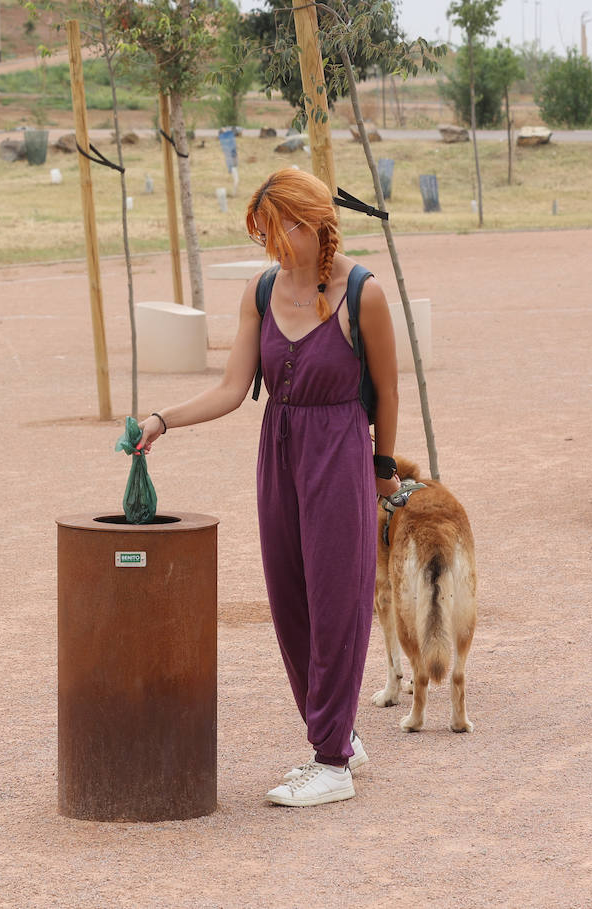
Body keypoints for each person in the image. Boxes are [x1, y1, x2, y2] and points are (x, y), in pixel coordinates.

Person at [136, 169, 402, 807]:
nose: (274, 241)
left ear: (315, 221)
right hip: (277, 455)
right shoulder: (261, 292)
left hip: (340, 453)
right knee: (290, 600)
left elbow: (388, 390)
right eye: (264, 229)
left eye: (283, 224)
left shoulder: (362, 293)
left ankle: (331, 763)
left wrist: (383, 466)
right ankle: (339, 733)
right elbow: (232, 388)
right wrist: (163, 421)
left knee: (339, 600)